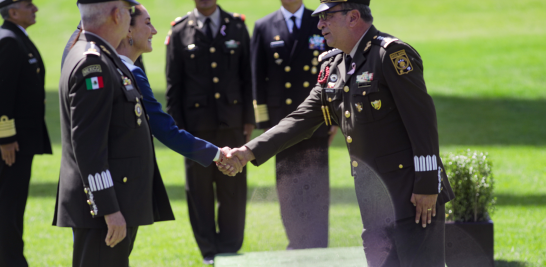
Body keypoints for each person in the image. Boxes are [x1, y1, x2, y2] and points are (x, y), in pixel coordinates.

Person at [220, 0, 456, 266]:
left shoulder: (389, 55)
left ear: (353, 17)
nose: (319, 24)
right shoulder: (334, 66)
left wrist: (427, 184)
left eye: (327, 17)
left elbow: (422, 122)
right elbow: (301, 119)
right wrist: (248, 151)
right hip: (374, 205)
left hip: (412, 199)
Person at [54, 0, 176, 266]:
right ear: (116, 15)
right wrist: (108, 208)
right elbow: (88, 146)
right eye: (128, 11)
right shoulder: (92, 63)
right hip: (105, 210)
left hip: (112, 204)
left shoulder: (100, 56)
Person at [165, 0, 254, 264]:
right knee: (199, 192)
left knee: (233, 190)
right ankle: (208, 252)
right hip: (195, 130)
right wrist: (176, 130)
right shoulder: (180, 31)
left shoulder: (237, 27)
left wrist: (249, 119)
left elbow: (248, 77)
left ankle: (229, 247)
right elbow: (174, 85)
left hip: (232, 124)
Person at [115, 5, 241, 179]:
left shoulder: (107, 64)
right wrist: (218, 154)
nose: (154, 30)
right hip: (123, 178)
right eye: (147, 23)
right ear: (128, 29)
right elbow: (164, 129)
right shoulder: (132, 73)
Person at [250, 0, 337, 249]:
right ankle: (296, 242)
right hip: (281, 122)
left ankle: (318, 245)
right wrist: (265, 123)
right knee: (287, 186)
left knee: (317, 187)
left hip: (318, 118)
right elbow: (258, 76)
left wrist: (333, 118)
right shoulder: (264, 26)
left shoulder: (320, 20)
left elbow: (333, 71)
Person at [0, 1, 52, 266]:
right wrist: (6, 138)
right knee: (9, 204)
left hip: (20, 140)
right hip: (12, 144)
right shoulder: (9, 40)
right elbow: (3, 95)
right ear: (13, 11)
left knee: (13, 204)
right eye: (29, 5)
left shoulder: (16, 37)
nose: (36, 9)